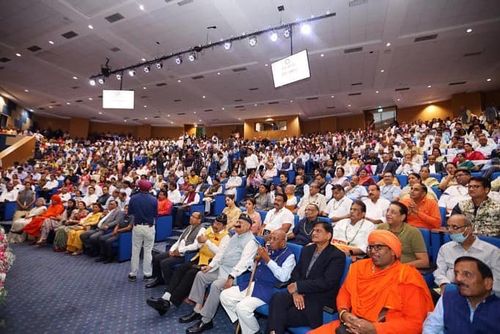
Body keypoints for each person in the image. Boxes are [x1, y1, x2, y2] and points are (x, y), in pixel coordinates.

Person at [310, 230, 434, 334]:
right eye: (371, 247)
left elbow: (415, 323)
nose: (373, 251)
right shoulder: (359, 267)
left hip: (386, 329)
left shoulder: (407, 276)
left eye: (378, 247)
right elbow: (345, 293)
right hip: (351, 324)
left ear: (393, 251)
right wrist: (343, 313)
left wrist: (375, 328)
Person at [179, 213, 258, 334]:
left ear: (248, 227)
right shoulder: (235, 236)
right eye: (237, 222)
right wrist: (210, 266)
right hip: (222, 268)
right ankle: (197, 309)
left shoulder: (251, 242)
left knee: (216, 285)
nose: (236, 224)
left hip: (236, 275)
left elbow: (244, 262)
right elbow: (221, 253)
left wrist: (231, 277)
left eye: (240, 223)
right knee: (201, 275)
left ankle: (206, 320)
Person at [267, 221, 346, 333]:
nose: (314, 233)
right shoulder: (307, 249)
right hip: (300, 293)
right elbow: (296, 272)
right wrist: (296, 292)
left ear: (328, 236)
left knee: (278, 315)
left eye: (318, 231)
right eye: (313, 230)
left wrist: (299, 286)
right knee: (277, 298)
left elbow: (327, 282)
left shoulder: (337, 256)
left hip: (317, 299)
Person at [146, 213, 229, 315]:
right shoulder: (209, 230)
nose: (215, 225)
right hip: (198, 258)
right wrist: (200, 242)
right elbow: (198, 244)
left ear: (224, 226)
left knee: (189, 274)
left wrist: (207, 242)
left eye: (218, 224)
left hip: (210, 263)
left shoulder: (226, 237)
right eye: (215, 222)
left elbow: (220, 253)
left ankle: (169, 303)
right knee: (180, 269)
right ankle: (165, 297)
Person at [220, 230, 296, 334]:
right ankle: (244, 323)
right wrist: (255, 260)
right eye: (270, 238)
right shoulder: (267, 250)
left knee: (242, 307)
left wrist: (267, 259)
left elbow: (284, 277)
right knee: (225, 296)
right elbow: (252, 268)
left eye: (275, 239)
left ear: (283, 242)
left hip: (269, 290)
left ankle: (253, 331)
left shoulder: (289, 256)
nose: (271, 241)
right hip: (253, 284)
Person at [423, 256, 500, 334]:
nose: (458, 279)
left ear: (487, 283)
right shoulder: (448, 298)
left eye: (467, 274)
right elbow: (431, 328)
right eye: (456, 273)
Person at [434, 214, 499, 296]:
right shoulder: (445, 248)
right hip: (450, 289)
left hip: (479, 293)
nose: (450, 230)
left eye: (455, 227)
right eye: (448, 227)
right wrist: (444, 284)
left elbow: (497, 280)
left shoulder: (492, 252)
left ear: (468, 229)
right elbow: (439, 271)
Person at [146, 211, 205, 288]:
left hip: (186, 255)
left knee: (165, 263)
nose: (191, 217)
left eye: (194, 217)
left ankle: (170, 285)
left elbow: (195, 246)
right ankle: (159, 279)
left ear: (199, 220)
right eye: (191, 216)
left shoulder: (202, 230)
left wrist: (180, 251)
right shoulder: (188, 227)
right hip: (176, 251)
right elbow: (179, 240)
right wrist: (172, 250)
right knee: (156, 258)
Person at [377, 201, 429, 268]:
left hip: (403, 270)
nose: (388, 214)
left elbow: (424, 262)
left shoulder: (413, 232)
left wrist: (399, 267)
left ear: (402, 217)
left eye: (393, 212)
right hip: (382, 267)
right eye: (388, 211)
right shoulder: (380, 228)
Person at [128, 180, 158, 282]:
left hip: (137, 226)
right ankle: (147, 274)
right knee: (148, 251)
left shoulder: (133, 198)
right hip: (149, 227)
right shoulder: (154, 199)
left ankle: (133, 274)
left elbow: (130, 213)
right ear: (149, 188)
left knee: (135, 250)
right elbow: (155, 214)